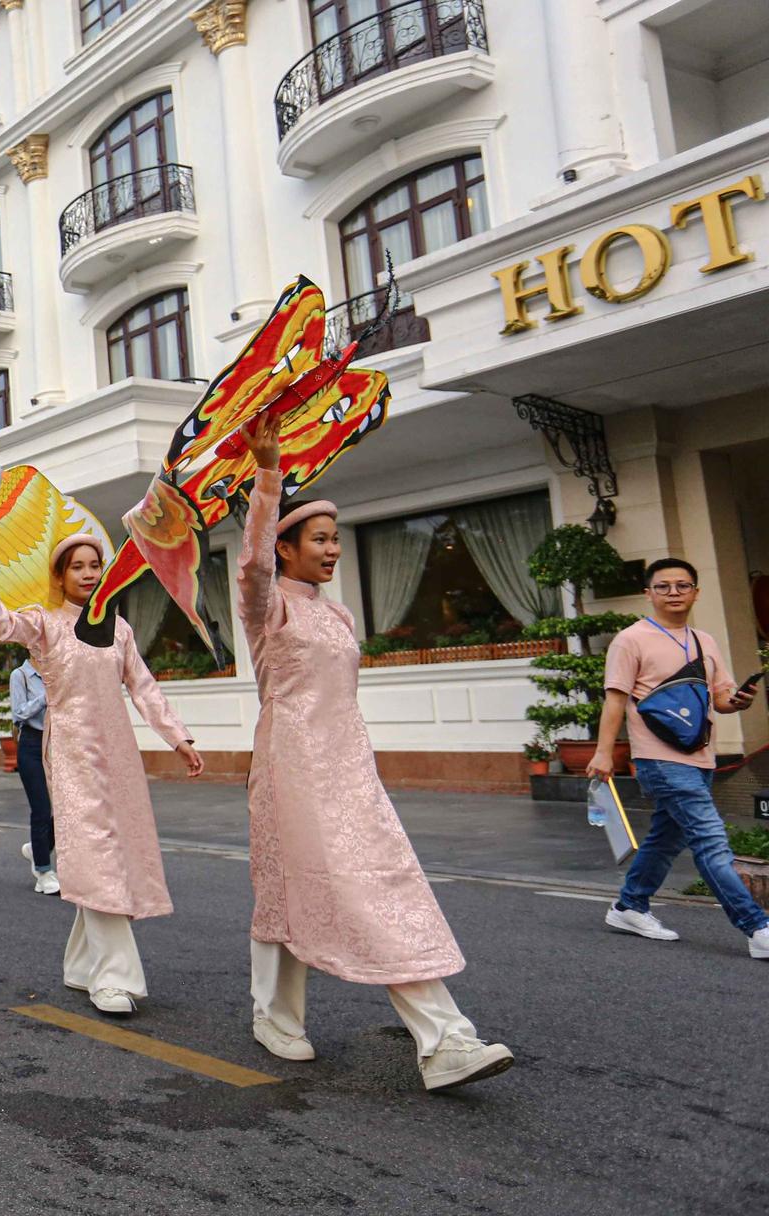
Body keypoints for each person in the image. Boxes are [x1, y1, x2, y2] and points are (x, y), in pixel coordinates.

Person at [236, 417, 513, 1091]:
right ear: (286, 548)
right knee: (305, 888)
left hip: (349, 767)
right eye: (320, 539)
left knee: (350, 884)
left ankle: (429, 1036)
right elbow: (250, 566)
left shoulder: (339, 616)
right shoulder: (266, 607)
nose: (332, 550)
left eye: (335, 539)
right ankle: (436, 1037)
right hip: (291, 767)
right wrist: (268, 475)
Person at [0, 527, 202, 1016]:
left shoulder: (118, 629)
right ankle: (114, 978)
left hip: (118, 750)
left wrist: (177, 737)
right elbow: (3, 626)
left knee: (113, 850)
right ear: (59, 575)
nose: (89, 574)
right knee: (95, 851)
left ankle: (79, 965)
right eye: (78, 567)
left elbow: (143, 686)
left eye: (95, 565)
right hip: (71, 750)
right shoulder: (46, 622)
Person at [588, 558, 766, 958]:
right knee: (711, 841)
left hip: (700, 757)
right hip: (659, 760)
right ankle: (758, 927)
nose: (674, 593)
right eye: (664, 586)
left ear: (696, 593)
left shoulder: (704, 640)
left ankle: (629, 906)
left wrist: (737, 702)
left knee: (667, 839)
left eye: (683, 586)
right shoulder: (630, 640)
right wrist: (603, 753)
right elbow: (615, 699)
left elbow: (718, 698)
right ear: (649, 593)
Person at [9, 657, 57, 894]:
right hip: (31, 745)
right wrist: (44, 698)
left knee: (65, 809)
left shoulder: (55, 672)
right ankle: (44, 871)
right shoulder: (20, 675)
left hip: (58, 745)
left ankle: (38, 848)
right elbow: (19, 713)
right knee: (41, 808)